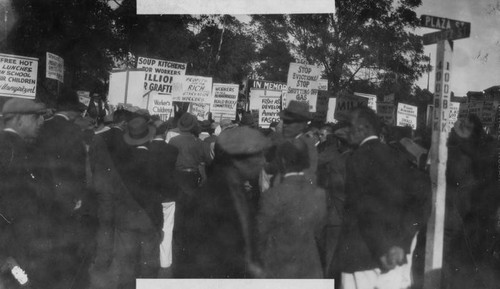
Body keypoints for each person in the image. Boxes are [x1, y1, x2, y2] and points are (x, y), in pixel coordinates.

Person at [334, 107, 431, 289]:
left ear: (364, 128)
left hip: (363, 257)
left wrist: (383, 249)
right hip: (396, 257)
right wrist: (402, 243)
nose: (347, 130)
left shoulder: (357, 159)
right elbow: (421, 201)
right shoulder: (399, 157)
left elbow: (364, 209)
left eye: (350, 125)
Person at [173, 126, 270, 278]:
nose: (263, 161)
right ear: (238, 161)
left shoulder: (238, 190)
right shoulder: (210, 199)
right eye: (257, 156)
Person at [0, 98, 58, 288]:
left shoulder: (22, 147)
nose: (41, 122)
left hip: (22, 244)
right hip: (14, 247)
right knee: (21, 283)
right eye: (35, 118)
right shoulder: (9, 150)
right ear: (18, 120)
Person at [257, 138, 326, 278]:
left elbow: (260, 235)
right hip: (310, 269)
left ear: (282, 161)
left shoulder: (272, 195)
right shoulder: (319, 194)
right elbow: (320, 231)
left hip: (279, 268)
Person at [169, 113, 212, 199]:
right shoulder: (200, 143)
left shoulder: (173, 140)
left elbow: (169, 159)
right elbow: (208, 160)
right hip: (194, 176)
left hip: (177, 175)